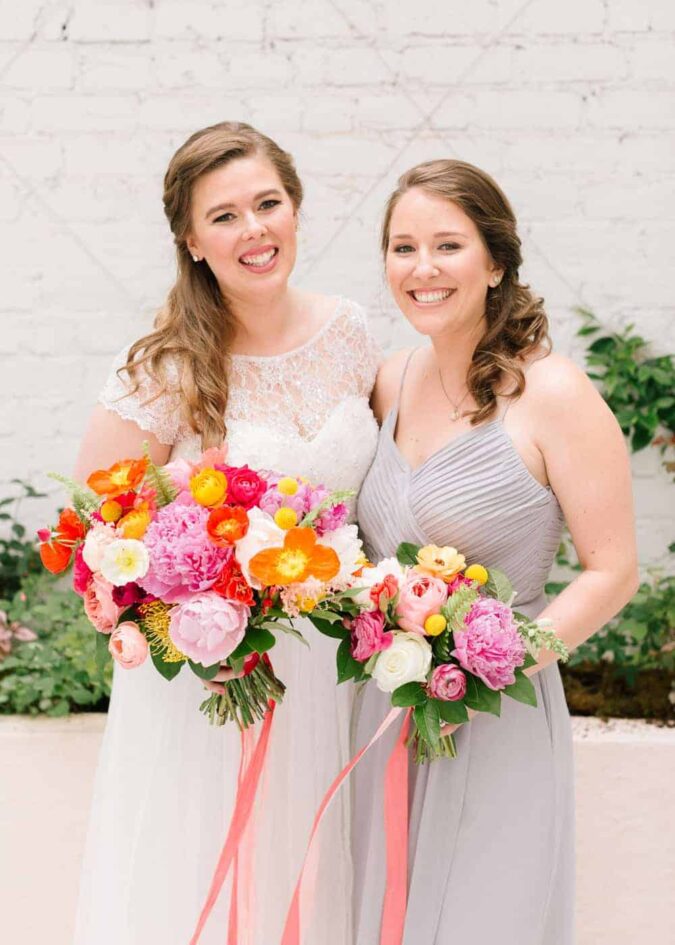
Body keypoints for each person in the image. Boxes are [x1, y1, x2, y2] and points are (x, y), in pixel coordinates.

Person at [72, 121, 379, 945]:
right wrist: (198, 617)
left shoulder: (350, 332)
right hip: (214, 681)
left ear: (295, 207)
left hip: (333, 667)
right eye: (224, 216)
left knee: (313, 877)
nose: (254, 230)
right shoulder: (164, 366)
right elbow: (98, 541)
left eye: (267, 203)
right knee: (204, 875)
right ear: (191, 239)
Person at [351, 159, 638, 944]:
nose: (422, 268)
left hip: (496, 704)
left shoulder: (553, 393)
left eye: (447, 245)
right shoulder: (387, 381)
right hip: (383, 706)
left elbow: (612, 569)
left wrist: (490, 662)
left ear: (495, 262)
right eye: (403, 247)